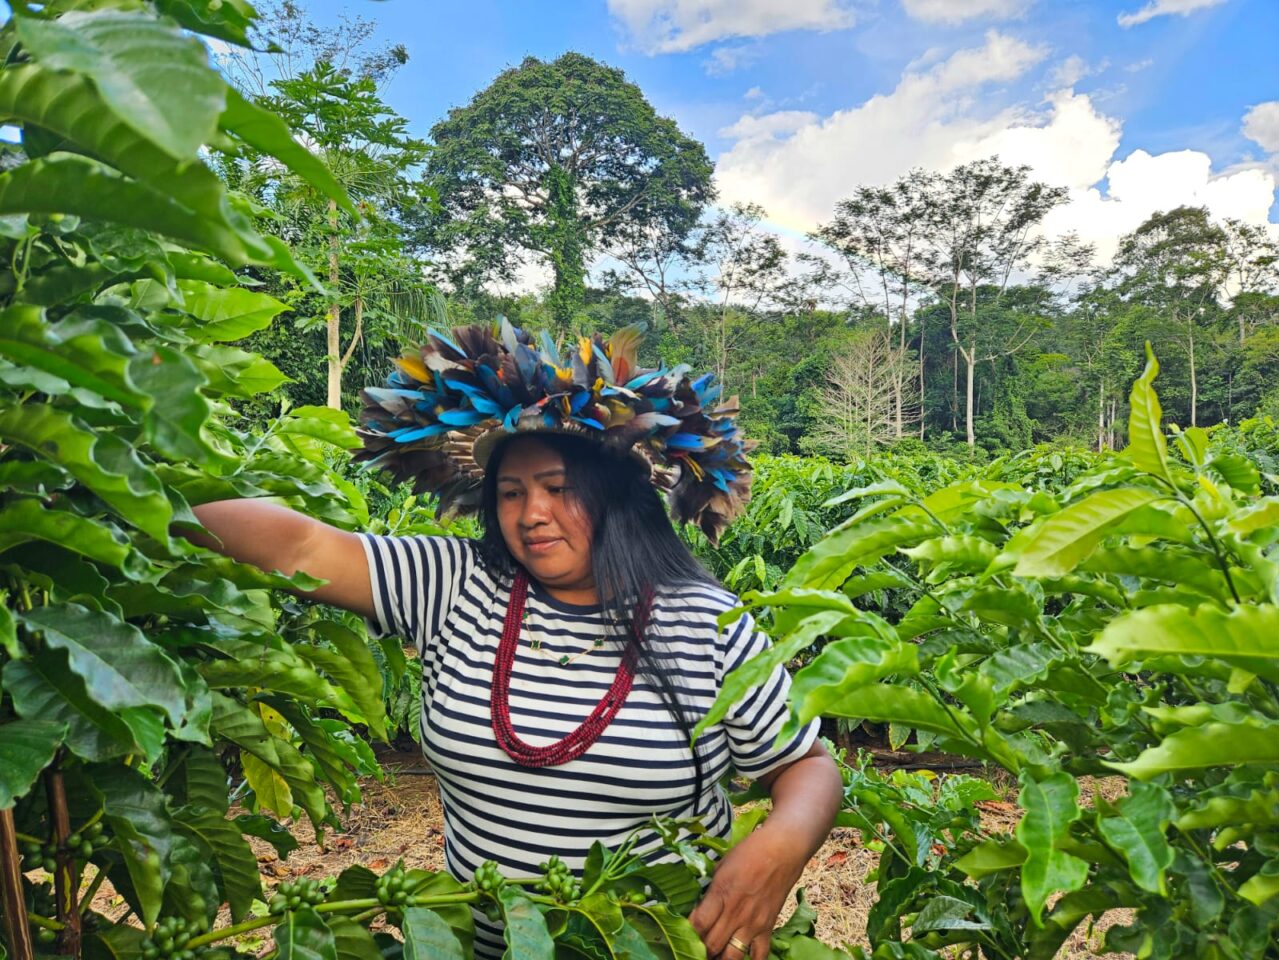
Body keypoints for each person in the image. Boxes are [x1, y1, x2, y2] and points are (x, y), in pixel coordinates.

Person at [192, 321, 842, 960]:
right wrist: (130, 503)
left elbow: (807, 765)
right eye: (511, 493)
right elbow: (303, 545)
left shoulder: (708, 625)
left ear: (619, 497)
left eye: (559, 490)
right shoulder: (451, 584)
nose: (531, 515)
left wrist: (778, 848)